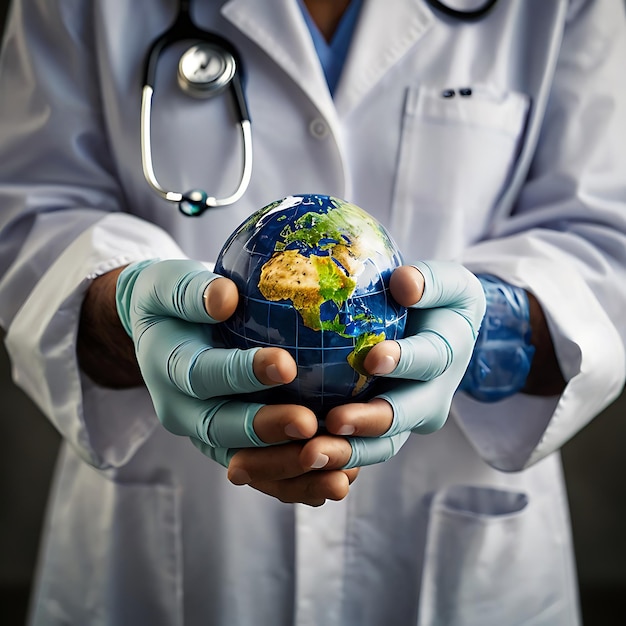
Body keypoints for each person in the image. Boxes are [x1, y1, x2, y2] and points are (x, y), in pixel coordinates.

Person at [0, 0, 625, 624]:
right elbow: (28, 211)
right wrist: (121, 314)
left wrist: (493, 330)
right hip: (165, 531)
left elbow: (607, 237)